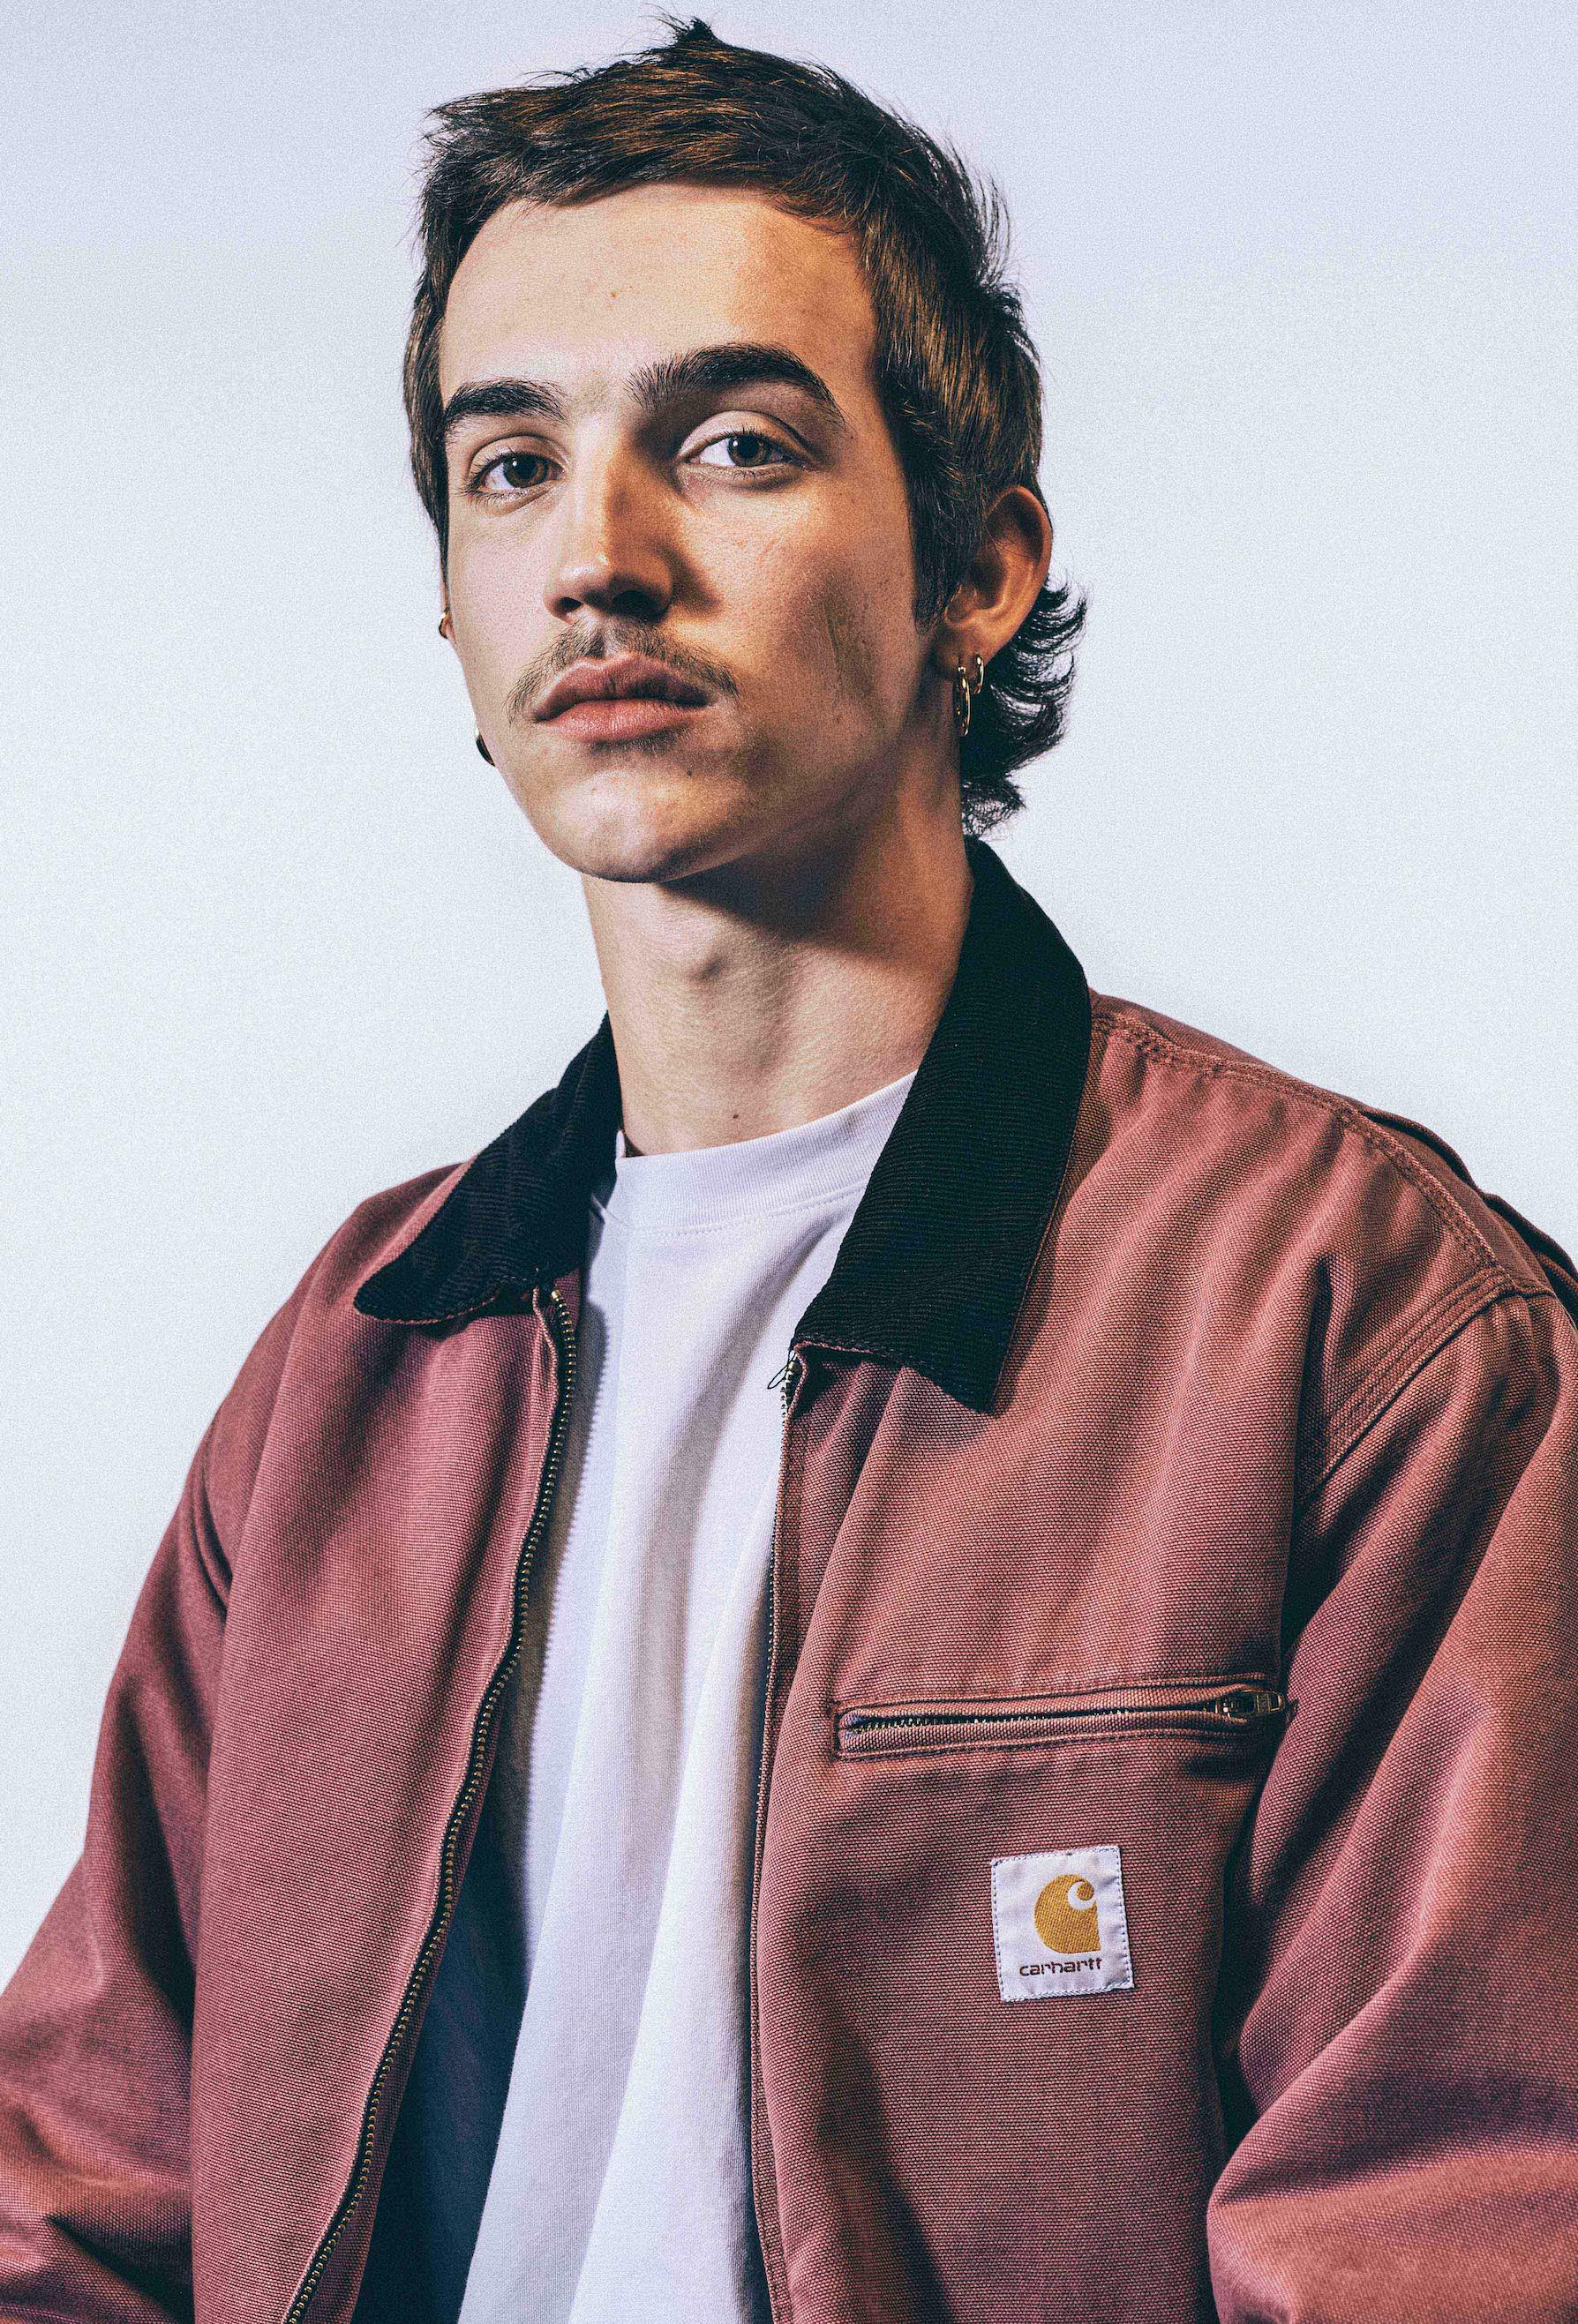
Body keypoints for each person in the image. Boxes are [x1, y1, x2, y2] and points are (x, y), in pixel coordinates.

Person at [3, 17, 1575, 2322]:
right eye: (510, 465)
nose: (599, 559)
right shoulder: (362, 1362)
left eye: (732, 444)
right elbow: (78, 2205)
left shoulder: (1360, 1326)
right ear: (446, 597)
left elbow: (1449, 2241)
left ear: (978, 566)